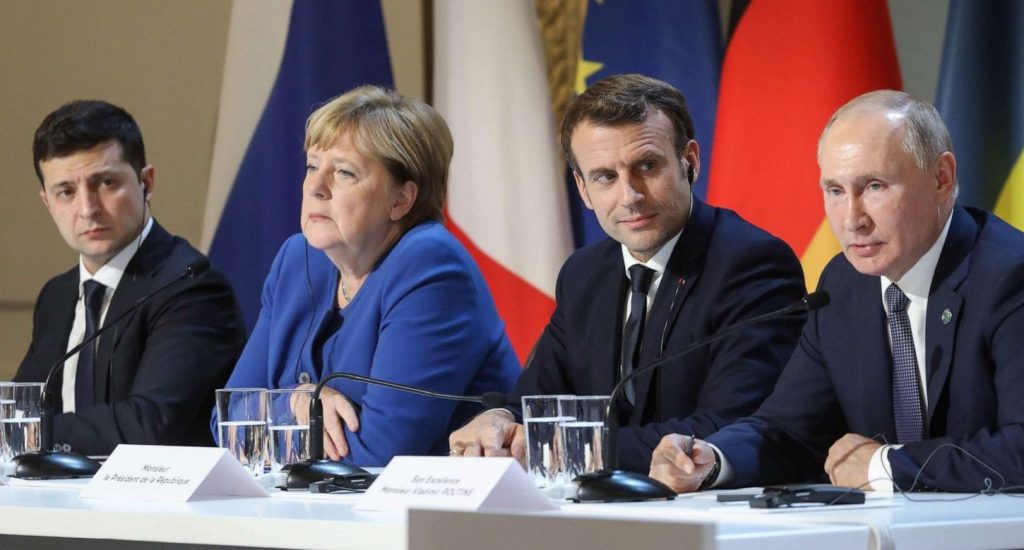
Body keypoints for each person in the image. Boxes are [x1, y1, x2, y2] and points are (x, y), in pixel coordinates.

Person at [650, 90, 1024, 494]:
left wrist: (885, 465)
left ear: (941, 178)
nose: (852, 220)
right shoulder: (845, 283)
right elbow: (787, 430)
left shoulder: (1009, 276)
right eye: (835, 191)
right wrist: (710, 459)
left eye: (875, 186)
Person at [448, 74, 807, 472]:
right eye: (605, 177)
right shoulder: (584, 273)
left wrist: (564, 448)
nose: (630, 196)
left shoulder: (750, 264)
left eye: (647, 166)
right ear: (583, 189)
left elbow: (730, 426)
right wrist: (500, 421)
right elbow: (536, 403)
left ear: (689, 162)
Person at [218, 85, 520, 467]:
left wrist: (276, 426)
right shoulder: (297, 260)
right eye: (312, 166)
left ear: (401, 200)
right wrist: (297, 401)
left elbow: (380, 455)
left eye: (344, 173)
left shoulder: (430, 266)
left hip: (432, 501)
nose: (316, 187)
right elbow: (229, 421)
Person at [16, 100, 246, 455]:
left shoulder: (190, 285)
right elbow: (21, 406)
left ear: (146, 182)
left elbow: (149, 424)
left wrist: (27, 433)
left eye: (106, 183)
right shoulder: (58, 295)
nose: (88, 209)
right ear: (48, 202)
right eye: (66, 192)